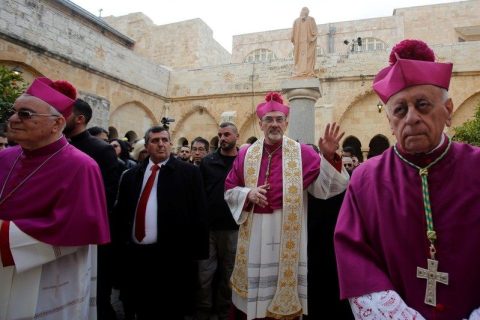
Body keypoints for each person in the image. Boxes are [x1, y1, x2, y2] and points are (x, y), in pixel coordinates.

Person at [334, 39, 480, 320]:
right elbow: (356, 260)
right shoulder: (365, 180)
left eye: (422, 105)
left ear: (448, 110)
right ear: (389, 121)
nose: (411, 118)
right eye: (399, 110)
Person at [224, 92, 349, 320]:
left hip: (287, 234)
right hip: (254, 236)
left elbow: (326, 188)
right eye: (269, 120)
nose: (274, 124)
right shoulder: (246, 154)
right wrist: (248, 193)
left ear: (286, 123)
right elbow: (230, 190)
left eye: (279, 119)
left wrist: (329, 156)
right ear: (260, 124)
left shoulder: (303, 153)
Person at [0, 77, 110, 320]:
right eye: (14, 111)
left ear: (57, 123)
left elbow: (77, 228)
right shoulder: (5, 157)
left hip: (48, 277)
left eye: (25, 114)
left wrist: (4, 234)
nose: (13, 119)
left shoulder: (82, 166)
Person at [112, 125, 209, 320]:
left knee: (169, 309)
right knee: (139, 307)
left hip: (171, 258)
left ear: (171, 144)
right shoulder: (131, 176)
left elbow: (199, 213)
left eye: (165, 140)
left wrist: (197, 255)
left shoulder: (188, 173)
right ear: (146, 146)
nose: (161, 144)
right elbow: (121, 215)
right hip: (136, 257)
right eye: (155, 141)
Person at [63, 98, 121, 320]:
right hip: (61, 231)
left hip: (90, 233)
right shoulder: (60, 145)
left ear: (79, 119)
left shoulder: (101, 150)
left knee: (96, 288)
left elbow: (107, 195)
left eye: (65, 112)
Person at [196, 122, 240, 320]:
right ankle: (204, 309)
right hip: (209, 227)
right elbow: (200, 192)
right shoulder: (208, 161)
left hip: (233, 227)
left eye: (227, 134)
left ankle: (224, 311)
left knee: (229, 273)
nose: (223, 138)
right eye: (220, 135)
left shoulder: (243, 161)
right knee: (204, 272)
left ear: (236, 137)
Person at [291, 7, 318, 78]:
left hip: (308, 43)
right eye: (303, 11)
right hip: (299, 44)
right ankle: (299, 71)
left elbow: (315, 32)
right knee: (299, 58)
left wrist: (311, 39)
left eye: (306, 12)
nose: (304, 12)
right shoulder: (296, 21)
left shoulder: (311, 19)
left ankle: (308, 71)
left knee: (308, 57)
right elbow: (293, 35)